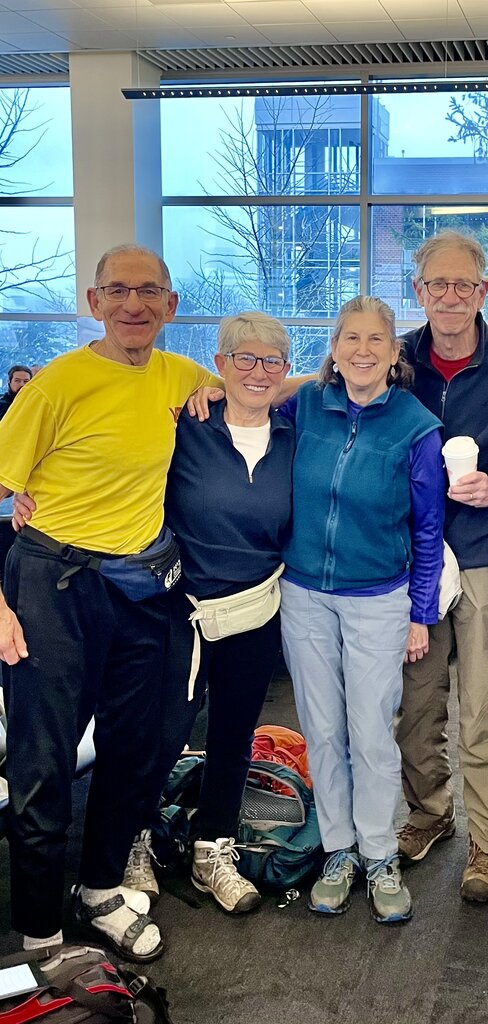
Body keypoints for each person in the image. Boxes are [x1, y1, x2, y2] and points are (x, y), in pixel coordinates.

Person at [0, 244, 219, 961]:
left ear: (170, 306)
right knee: (43, 763)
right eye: (117, 291)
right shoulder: (56, 385)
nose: (133, 304)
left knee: (138, 747)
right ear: (93, 302)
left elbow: (262, 385)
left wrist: (344, 364)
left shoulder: (179, 375)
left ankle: (98, 889)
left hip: (140, 588)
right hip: (53, 586)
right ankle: (41, 933)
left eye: (148, 291)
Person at [119, 312, 294, 915]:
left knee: (234, 736)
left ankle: (212, 847)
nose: (257, 371)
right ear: (219, 365)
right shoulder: (184, 427)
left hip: (256, 608)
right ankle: (135, 837)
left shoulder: (295, 438)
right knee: (163, 731)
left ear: (285, 369)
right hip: (183, 609)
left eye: (271, 361)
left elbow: (333, 380)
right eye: (244, 358)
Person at [278, 295, 444, 924]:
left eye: (377, 339)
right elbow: (247, 408)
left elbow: (428, 528)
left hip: (378, 598)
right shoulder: (305, 407)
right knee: (321, 729)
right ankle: (338, 850)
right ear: (334, 347)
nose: (363, 350)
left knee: (371, 733)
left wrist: (419, 613)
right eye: (351, 338)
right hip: (304, 594)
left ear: (395, 352)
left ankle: (378, 853)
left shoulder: (416, 426)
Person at [395, 230, 488, 903]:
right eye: (437, 284)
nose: (450, 296)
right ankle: (430, 813)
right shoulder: (396, 358)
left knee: (481, 707)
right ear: (418, 291)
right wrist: (222, 388)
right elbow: (326, 382)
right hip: (412, 558)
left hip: (481, 554)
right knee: (417, 707)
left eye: (463, 285)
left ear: (483, 291)